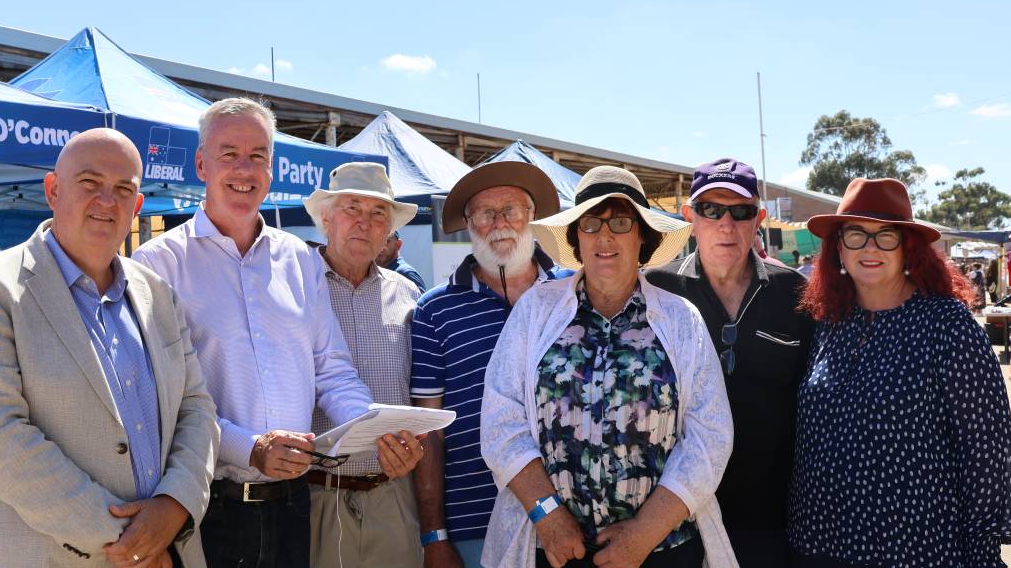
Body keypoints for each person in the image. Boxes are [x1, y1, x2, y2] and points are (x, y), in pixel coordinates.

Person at [132, 98, 422, 568]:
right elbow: (165, 401)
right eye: (229, 153)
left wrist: (373, 431)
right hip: (210, 505)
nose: (244, 168)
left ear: (272, 169)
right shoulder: (157, 264)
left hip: (294, 505)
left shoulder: (300, 260)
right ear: (201, 163)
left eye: (258, 155)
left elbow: (332, 370)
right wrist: (250, 448)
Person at [0, 128, 220, 567]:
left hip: (168, 549)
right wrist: (131, 541)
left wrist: (174, 507)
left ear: (137, 206)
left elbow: (197, 408)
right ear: (53, 190)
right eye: (90, 183)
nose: (107, 201)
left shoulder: (158, 294)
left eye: (124, 189)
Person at [481, 166, 736, 568]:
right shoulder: (536, 309)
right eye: (590, 223)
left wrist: (645, 533)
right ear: (575, 238)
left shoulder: (680, 319)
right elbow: (500, 421)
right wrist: (547, 514)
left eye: (620, 222)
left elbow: (711, 436)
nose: (605, 236)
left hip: (660, 551)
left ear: (642, 238)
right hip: (554, 549)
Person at [790, 178, 1011, 566]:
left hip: (915, 545)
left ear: (907, 247)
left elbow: (986, 450)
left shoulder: (946, 324)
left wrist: (983, 546)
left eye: (886, 236)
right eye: (856, 235)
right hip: (820, 542)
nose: (870, 247)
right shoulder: (830, 322)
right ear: (837, 249)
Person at [646, 157, 812, 566]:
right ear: (689, 217)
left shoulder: (795, 293)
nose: (726, 223)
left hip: (770, 518)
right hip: (676, 516)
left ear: (758, 218)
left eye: (739, 212)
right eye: (710, 210)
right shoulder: (656, 290)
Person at [410, 161, 565, 568]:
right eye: (485, 213)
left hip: (574, 516)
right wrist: (434, 536)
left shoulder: (572, 293)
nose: (500, 223)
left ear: (533, 217)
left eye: (511, 209)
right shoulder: (434, 309)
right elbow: (429, 434)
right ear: (468, 223)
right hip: (475, 523)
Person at [301, 162, 424, 568]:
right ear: (326, 218)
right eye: (352, 208)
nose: (365, 223)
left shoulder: (409, 296)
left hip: (393, 496)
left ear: (389, 230)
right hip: (313, 497)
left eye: (378, 214)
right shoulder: (292, 285)